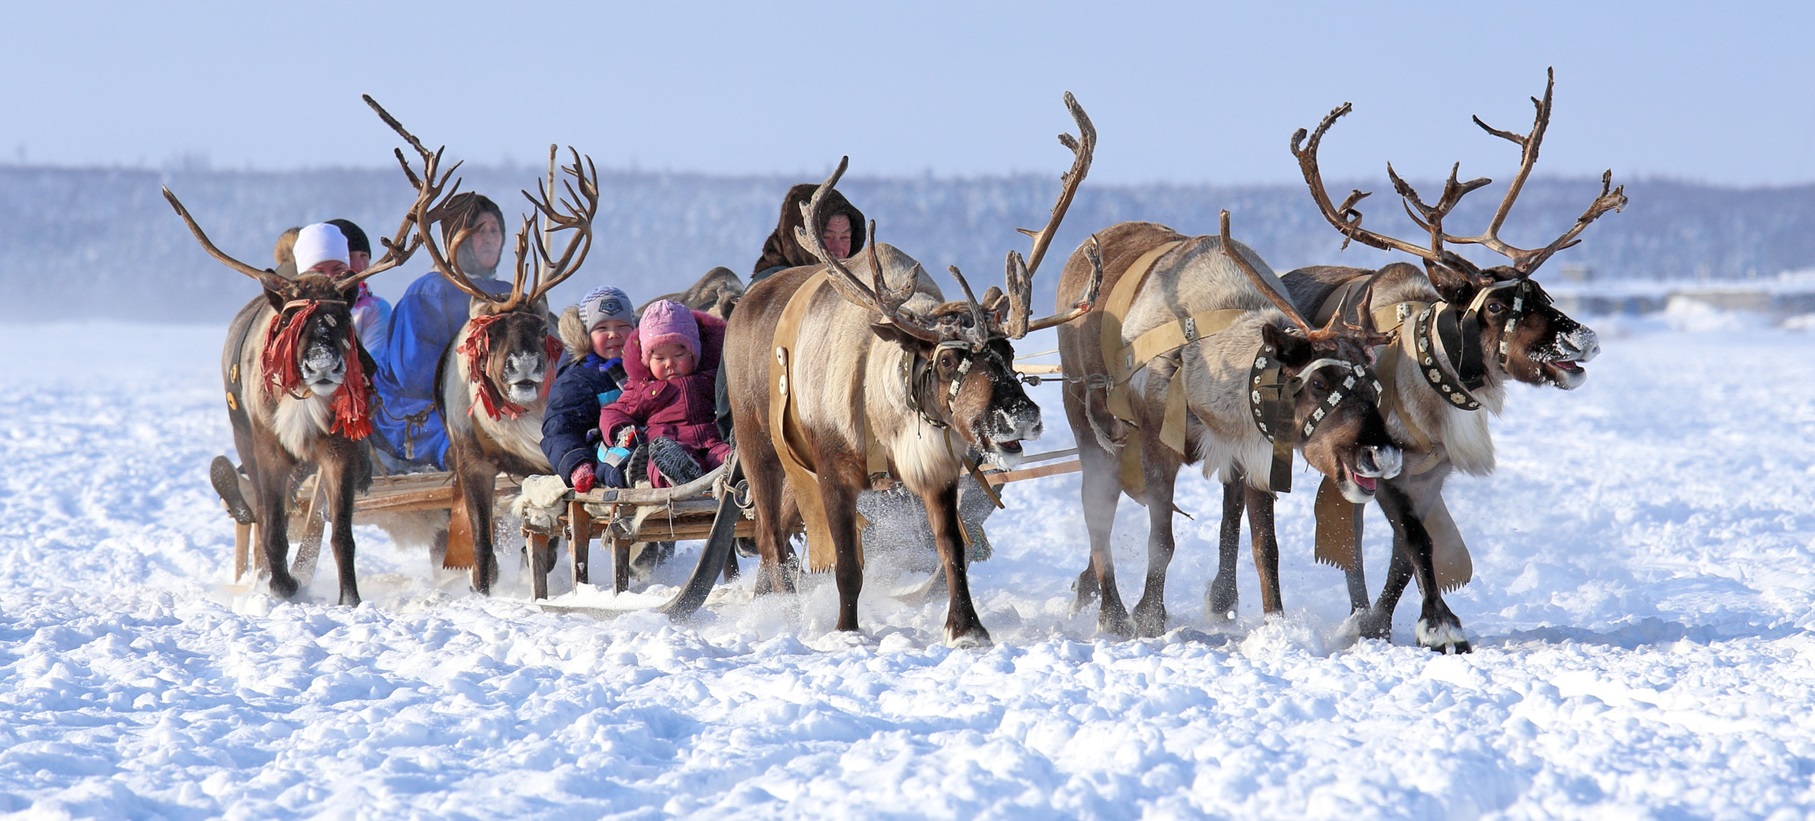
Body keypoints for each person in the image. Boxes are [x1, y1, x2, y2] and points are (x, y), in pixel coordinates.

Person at [371, 193, 511, 471]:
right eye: (478, 230)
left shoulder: (510, 294)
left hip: (497, 406)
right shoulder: (428, 292)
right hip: (421, 411)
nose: (489, 238)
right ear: (456, 238)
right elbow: (414, 375)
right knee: (473, 448)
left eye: (495, 230)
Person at [597, 300, 730, 489]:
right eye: (660, 358)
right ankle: (676, 476)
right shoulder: (642, 387)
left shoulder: (711, 378)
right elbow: (613, 412)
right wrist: (623, 430)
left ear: (694, 354)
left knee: (727, 457)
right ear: (647, 361)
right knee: (658, 463)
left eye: (678, 355)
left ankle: (735, 473)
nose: (670, 363)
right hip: (670, 445)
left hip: (711, 442)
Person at [541, 286, 636, 494]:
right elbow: (559, 429)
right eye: (602, 328)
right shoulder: (577, 380)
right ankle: (631, 472)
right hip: (598, 450)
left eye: (622, 326)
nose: (614, 334)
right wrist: (576, 462)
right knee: (614, 457)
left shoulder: (645, 368)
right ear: (587, 335)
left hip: (642, 440)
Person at [749, 183, 867, 283]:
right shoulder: (769, 288)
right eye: (827, 237)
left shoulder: (856, 284)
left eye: (844, 238)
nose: (838, 250)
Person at [327, 218, 393, 353]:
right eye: (350, 257)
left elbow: (374, 366)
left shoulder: (374, 308)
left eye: (364, 256)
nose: (359, 266)